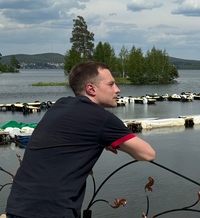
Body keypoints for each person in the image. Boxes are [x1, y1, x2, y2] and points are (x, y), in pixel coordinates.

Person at [6, 61, 155, 218]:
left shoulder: (60, 105)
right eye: (111, 84)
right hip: (53, 211)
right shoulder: (101, 118)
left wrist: (103, 139)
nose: (117, 89)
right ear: (91, 89)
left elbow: (75, 136)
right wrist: (110, 140)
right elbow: (147, 154)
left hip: (18, 206)